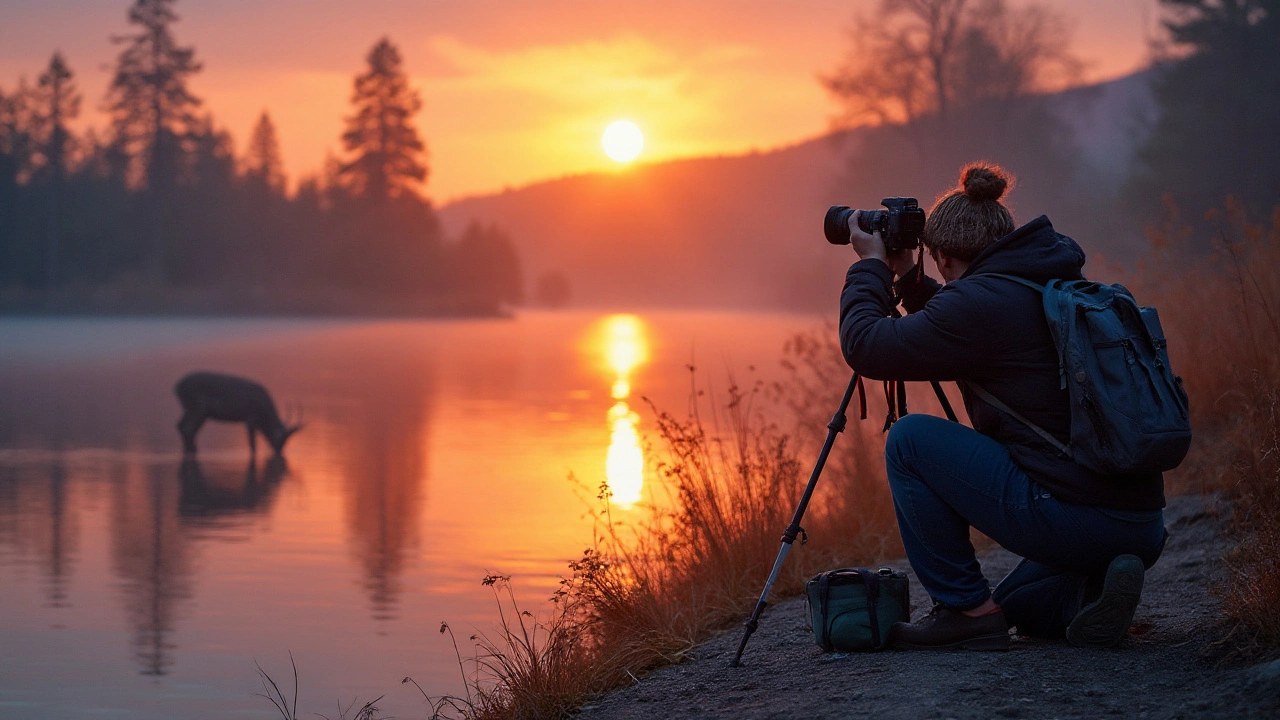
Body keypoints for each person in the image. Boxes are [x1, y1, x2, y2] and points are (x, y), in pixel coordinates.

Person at [838, 163, 1167, 650]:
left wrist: (869, 265)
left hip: (1075, 514)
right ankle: (1088, 595)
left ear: (944, 259)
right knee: (1011, 606)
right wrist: (907, 275)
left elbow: (866, 345)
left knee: (909, 441)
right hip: (1140, 523)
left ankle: (965, 611)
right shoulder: (1047, 283)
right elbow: (958, 327)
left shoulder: (979, 307)